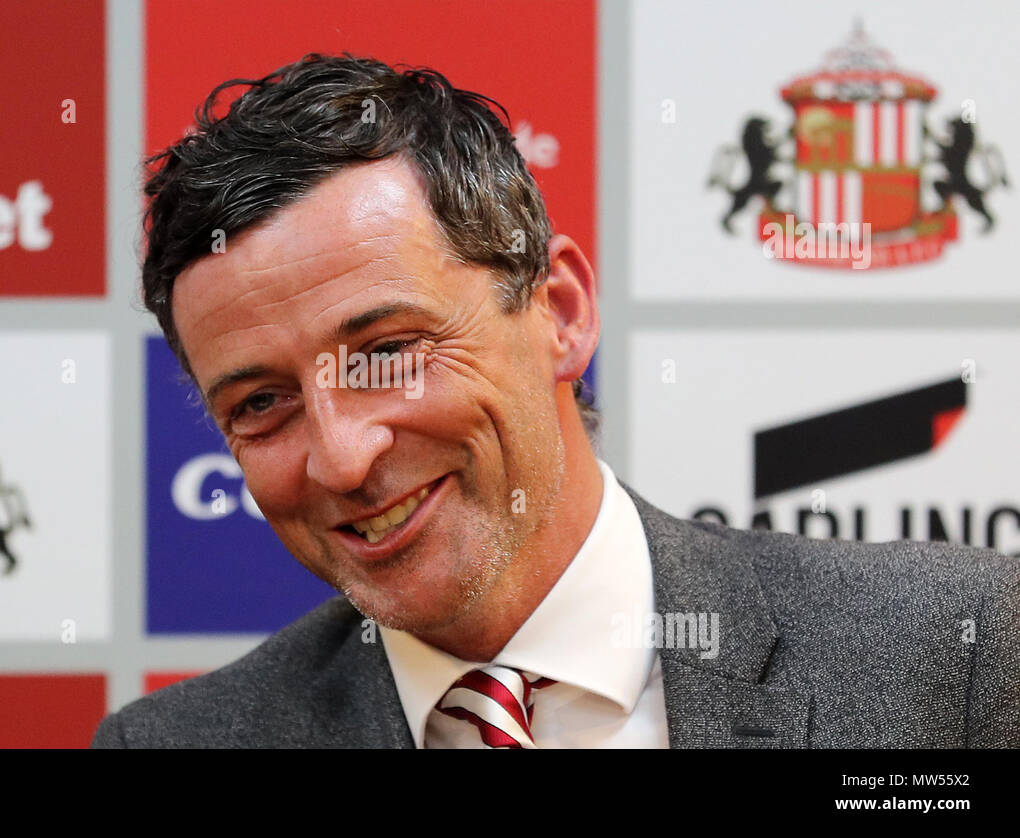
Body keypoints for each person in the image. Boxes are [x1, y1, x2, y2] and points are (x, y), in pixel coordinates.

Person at [93, 54, 1019, 748]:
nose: (340, 457)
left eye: (387, 352)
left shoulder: (959, 653)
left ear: (562, 315)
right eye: (261, 404)